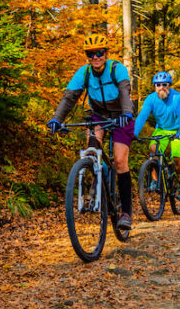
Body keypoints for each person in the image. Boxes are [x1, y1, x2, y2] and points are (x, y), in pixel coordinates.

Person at [47, 34, 136, 230]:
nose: (95, 57)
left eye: (99, 53)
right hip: (98, 115)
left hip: (122, 115)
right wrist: (56, 119)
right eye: (90, 54)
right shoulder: (84, 72)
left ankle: (126, 213)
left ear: (106, 53)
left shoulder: (116, 69)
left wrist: (126, 114)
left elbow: (124, 92)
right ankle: (96, 181)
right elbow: (69, 97)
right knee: (92, 151)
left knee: (120, 161)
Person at [132, 71, 180, 201]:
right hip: (162, 130)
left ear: (169, 85)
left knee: (177, 157)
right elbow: (142, 117)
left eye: (164, 84)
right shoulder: (151, 99)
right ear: (154, 87)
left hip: (179, 130)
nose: (161, 87)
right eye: (158, 85)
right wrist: (134, 133)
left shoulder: (177, 98)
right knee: (153, 151)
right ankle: (155, 180)